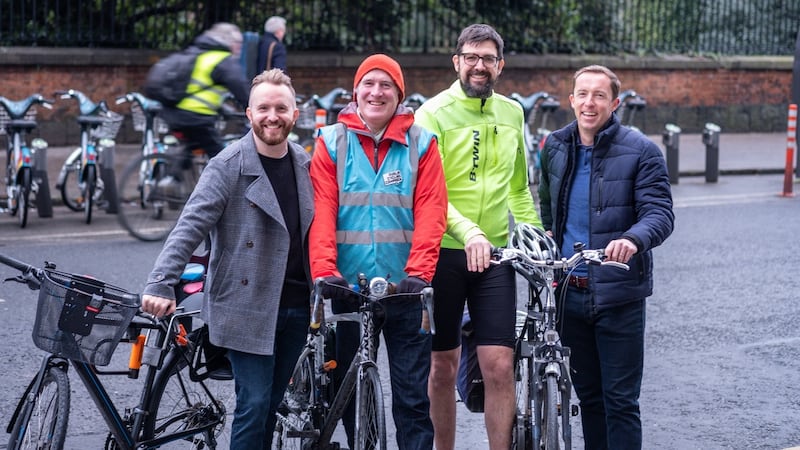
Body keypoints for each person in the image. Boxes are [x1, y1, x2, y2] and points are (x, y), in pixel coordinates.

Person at [140, 68, 314, 449]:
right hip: (244, 305)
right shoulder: (228, 165)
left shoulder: (304, 162)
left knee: (271, 405)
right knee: (254, 404)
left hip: (296, 305)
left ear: (295, 114)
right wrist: (160, 282)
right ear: (249, 114)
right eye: (263, 108)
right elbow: (189, 227)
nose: (272, 116)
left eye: (281, 108)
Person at [309, 54, 448, 450]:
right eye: (368, 84)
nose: (376, 92)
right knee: (351, 396)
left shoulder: (421, 143)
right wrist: (324, 270)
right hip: (348, 289)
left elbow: (432, 211)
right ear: (355, 93)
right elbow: (322, 211)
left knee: (413, 400)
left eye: (386, 85)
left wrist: (419, 273)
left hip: (406, 289)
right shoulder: (331, 142)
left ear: (399, 95)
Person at [414, 23, 542, 450]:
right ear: (457, 62)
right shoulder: (432, 114)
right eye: (471, 57)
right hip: (444, 253)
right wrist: (468, 233)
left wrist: (535, 236)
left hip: (495, 256)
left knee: (500, 365)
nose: (479, 65)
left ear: (500, 65)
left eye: (488, 58)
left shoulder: (513, 112)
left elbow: (519, 189)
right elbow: (430, 193)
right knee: (442, 366)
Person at [538, 64, 674, 450]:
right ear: (571, 100)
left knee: (621, 402)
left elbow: (660, 213)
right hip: (569, 291)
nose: (589, 103)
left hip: (618, 293)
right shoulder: (555, 146)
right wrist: (548, 233)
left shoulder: (642, 150)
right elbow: (547, 202)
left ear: (614, 103)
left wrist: (632, 239)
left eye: (599, 95)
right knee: (590, 400)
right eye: (582, 94)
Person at [160, 22, 250, 162]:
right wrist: (253, 108)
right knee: (222, 159)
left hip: (174, 112)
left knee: (190, 150)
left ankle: (177, 171)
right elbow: (241, 90)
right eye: (237, 43)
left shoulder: (200, 54)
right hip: (196, 118)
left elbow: (198, 89)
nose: (239, 47)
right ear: (227, 41)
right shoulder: (223, 60)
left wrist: (221, 108)